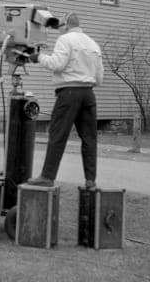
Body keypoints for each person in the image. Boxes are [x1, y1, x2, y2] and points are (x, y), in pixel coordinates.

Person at [20, 13, 104, 190]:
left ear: (66, 26)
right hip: (88, 93)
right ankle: (90, 180)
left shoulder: (66, 40)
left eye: (59, 27)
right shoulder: (93, 43)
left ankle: (47, 176)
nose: (58, 31)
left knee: (58, 135)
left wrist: (38, 57)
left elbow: (57, 64)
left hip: (69, 92)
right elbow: (99, 78)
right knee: (89, 138)